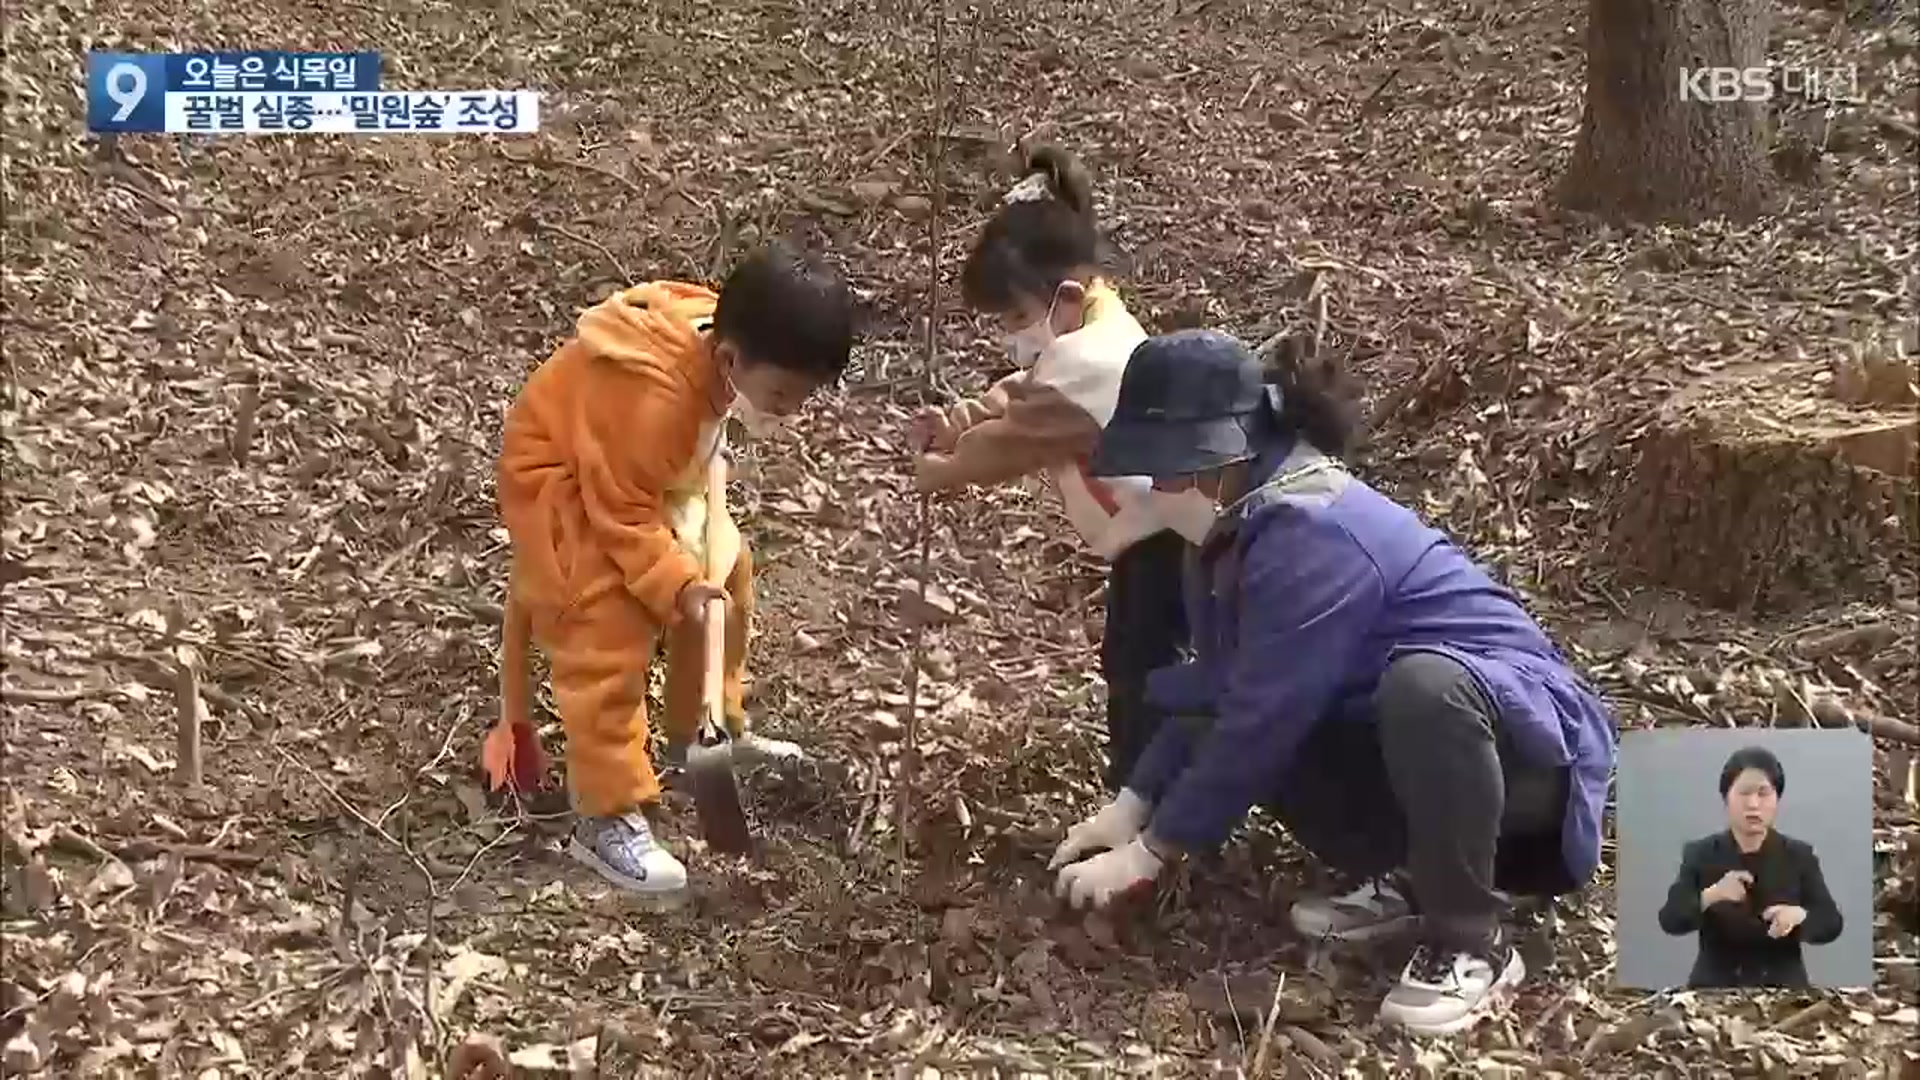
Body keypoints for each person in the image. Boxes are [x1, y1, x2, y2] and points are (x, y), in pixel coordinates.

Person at [1044, 329, 1617, 1036]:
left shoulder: (1315, 532)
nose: (1157, 491)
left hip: (1529, 769)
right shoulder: (1230, 533)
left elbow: (1263, 714)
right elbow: (1226, 688)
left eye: (1166, 471)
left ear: (1225, 454)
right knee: (1335, 709)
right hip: (1426, 750)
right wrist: (1132, 804)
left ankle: (1472, 938)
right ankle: (1419, 876)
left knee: (1425, 687)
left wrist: (1153, 850)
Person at [485, 242, 854, 904]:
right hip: (563, 488)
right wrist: (676, 585)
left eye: (802, 398)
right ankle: (604, 811)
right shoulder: (653, 401)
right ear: (731, 360)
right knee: (604, 619)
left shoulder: (724, 337)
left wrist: (700, 571)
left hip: (634, 478)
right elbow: (621, 512)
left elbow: (676, 465)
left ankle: (703, 730)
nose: (789, 411)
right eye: (781, 395)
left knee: (728, 570)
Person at [910, 144, 1193, 791]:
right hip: (1162, 528)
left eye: (1013, 317)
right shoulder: (1097, 320)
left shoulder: (1091, 360)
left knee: (1140, 666)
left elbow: (1007, 444)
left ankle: (1145, 798)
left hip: (1168, 538)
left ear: (1062, 295)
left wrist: (940, 470)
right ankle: (1148, 791)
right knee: (1137, 659)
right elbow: (1020, 391)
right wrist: (956, 420)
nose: (1010, 335)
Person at [1656, 745, 1842, 988]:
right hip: (1714, 990)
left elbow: (1831, 922)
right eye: (1744, 793)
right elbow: (1670, 919)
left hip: (1784, 990)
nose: (1753, 804)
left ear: (1777, 799)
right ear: (1726, 798)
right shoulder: (1700, 853)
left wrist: (1800, 916)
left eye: (1763, 793)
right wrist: (1711, 896)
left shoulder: (1799, 855)